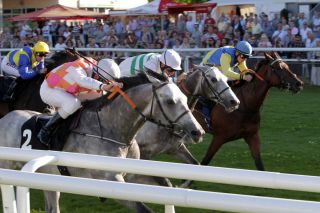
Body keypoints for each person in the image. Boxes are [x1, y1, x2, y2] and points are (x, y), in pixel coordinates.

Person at [37, 58, 123, 146]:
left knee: (100, 96)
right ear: (97, 75)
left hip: (68, 90)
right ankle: (46, 129)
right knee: (73, 103)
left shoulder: (98, 68)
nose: (103, 83)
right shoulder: (77, 68)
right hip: (49, 89)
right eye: (103, 80)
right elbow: (83, 81)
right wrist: (103, 86)